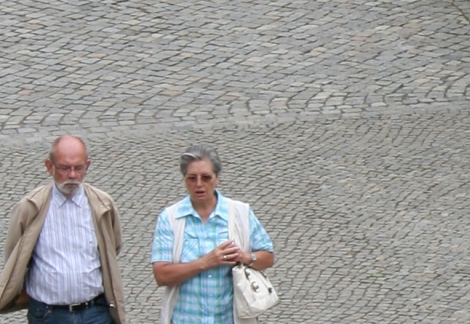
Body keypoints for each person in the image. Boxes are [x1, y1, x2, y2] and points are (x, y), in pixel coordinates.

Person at [0, 134, 126, 324]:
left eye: (78, 168)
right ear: (49, 167)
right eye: (64, 168)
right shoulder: (30, 207)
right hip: (48, 315)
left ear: (88, 166)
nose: (72, 175)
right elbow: (16, 256)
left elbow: (112, 247)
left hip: (95, 312)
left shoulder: (103, 205)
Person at [151, 146, 273, 324]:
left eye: (206, 177)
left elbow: (268, 257)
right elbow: (162, 275)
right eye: (192, 178)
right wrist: (204, 263)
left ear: (217, 179)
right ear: (184, 180)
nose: (199, 184)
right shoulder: (170, 218)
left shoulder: (240, 213)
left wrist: (245, 256)